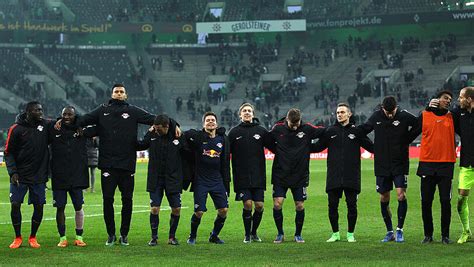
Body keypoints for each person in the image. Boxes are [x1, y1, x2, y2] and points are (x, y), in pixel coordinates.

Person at [68, 84, 179, 246]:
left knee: (127, 200)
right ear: (112, 94)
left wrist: (175, 125)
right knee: (107, 200)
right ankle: (111, 234)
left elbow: (155, 119)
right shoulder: (102, 110)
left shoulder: (133, 111)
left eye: (121, 92)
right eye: (116, 91)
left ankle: (124, 235)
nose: (119, 94)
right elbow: (82, 119)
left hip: (127, 165)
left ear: (125, 95)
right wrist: (63, 121)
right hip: (107, 165)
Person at [359, 96, 419, 243]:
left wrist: (408, 138)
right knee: (384, 197)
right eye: (387, 112)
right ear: (382, 108)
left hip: (400, 163)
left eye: (392, 112)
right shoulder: (376, 116)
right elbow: (362, 132)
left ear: (396, 107)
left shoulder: (404, 115)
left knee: (401, 195)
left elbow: (420, 124)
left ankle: (400, 230)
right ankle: (389, 231)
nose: (390, 115)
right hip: (382, 164)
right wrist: (373, 148)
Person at [312, 103, 373, 243]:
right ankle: (335, 233)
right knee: (332, 206)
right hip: (334, 176)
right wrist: (300, 145)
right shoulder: (330, 131)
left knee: (351, 205)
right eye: (338, 112)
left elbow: (371, 147)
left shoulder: (356, 131)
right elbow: (317, 147)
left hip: (352, 175)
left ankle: (350, 234)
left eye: (342, 112)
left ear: (349, 114)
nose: (339, 114)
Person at [267, 108, 324, 243]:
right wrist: (278, 151)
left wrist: (310, 148)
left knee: (299, 205)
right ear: (287, 119)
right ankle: (280, 233)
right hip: (281, 174)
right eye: (292, 123)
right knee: (277, 204)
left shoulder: (307, 129)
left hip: (300, 175)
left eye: (297, 123)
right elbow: (267, 140)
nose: (295, 126)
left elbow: (323, 132)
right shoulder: (277, 129)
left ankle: (298, 234)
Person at [410, 90, 456, 244]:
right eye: (445, 98)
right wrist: (427, 107)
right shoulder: (424, 115)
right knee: (426, 202)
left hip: (446, 165)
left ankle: (445, 236)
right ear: (437, 100)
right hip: (427, 165)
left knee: (445, 201)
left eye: (450, 99)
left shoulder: (452, 116)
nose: (448, 101)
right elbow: (410, 134)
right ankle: (428, 235)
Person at [429, 87, 474, 243]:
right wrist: (432, 106)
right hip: (467, 164)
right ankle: (466, 231)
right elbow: (441, 114)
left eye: (461, 97)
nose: (458, 100)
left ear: (469, 99)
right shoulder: (457, 113)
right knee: (461, 199)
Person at [137, 115, 187, 246]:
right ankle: (154, 237)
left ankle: (172, 237)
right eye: (155, 129)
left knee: (176, 209)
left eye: (159, 129)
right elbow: (141, 145)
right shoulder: (152, 135)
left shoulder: (177, 136)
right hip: (155, 179)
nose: (157, 131)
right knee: (154, 209)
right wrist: (148, 133)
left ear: (167, 126)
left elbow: (188, 152)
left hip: (173, 179)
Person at [5, 101, 50, 249]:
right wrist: (13, 172)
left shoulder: (45, 126)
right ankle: (17, 237)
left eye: (41, 109)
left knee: (39, 207)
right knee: (15, 204)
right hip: (20, 175)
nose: (41, 112)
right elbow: (8, 152)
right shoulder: (16, 128)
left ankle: (33, 237)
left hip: (38, 176)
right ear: (29, 112)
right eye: (38, 110)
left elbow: (62, 125)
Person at [48, 106, 93, 247]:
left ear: (75, 116)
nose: (67, 117)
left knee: (78, 207)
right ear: (60, 115)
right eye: (64, 114)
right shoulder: (54, 129)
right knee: (60, 208)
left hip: (77, 176)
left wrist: (79, 124)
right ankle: (62, 238)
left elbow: (96, 122)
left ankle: (79, 237)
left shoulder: (81, 130)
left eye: (70, 114)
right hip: (59, 176)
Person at [184, 112, 230, 245]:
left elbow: (225, 162)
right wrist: (202, 133)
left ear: (217, 123)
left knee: (223, 210)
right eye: (208, 120)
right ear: (203, 124)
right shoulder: (199, 138)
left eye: (213, 120)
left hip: (217, 180)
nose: (211, 122)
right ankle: (192, 236)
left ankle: (214, 236)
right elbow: (187, 134)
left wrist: (226, 182)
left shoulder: (222, 140)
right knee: (199, 211)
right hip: (201, 181)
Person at [228, 103, 270, 243]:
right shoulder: (234, 132)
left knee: (259, 205)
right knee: (247, 204)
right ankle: (247, 234)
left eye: (249, 111)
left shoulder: (261, 131)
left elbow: (275, 145)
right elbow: (225, 152)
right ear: (240, 115)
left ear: (253, 114)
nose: (247, 113)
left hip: (258, 176)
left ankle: (254, 232)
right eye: (244, 111)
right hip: (241, 177)